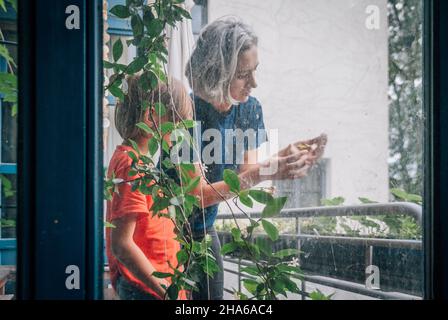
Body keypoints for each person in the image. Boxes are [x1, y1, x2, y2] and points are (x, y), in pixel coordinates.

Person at [185, 16, 328, 300]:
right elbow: (197, 196)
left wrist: (283, 159)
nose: (254, 83)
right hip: (166, 228)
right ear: (216, 71)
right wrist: (267, 171)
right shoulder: (184, 110)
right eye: (242, 74)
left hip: (204, 229)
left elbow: (246, 174)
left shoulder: (248, 110)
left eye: (254, 71)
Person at [105, 76, 192, 300]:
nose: (181, 130)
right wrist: (165, 291)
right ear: (151, 116)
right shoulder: (131, 165)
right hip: (146, 290)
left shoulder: (136, 161)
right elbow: (122, 245)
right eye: (177, 121)